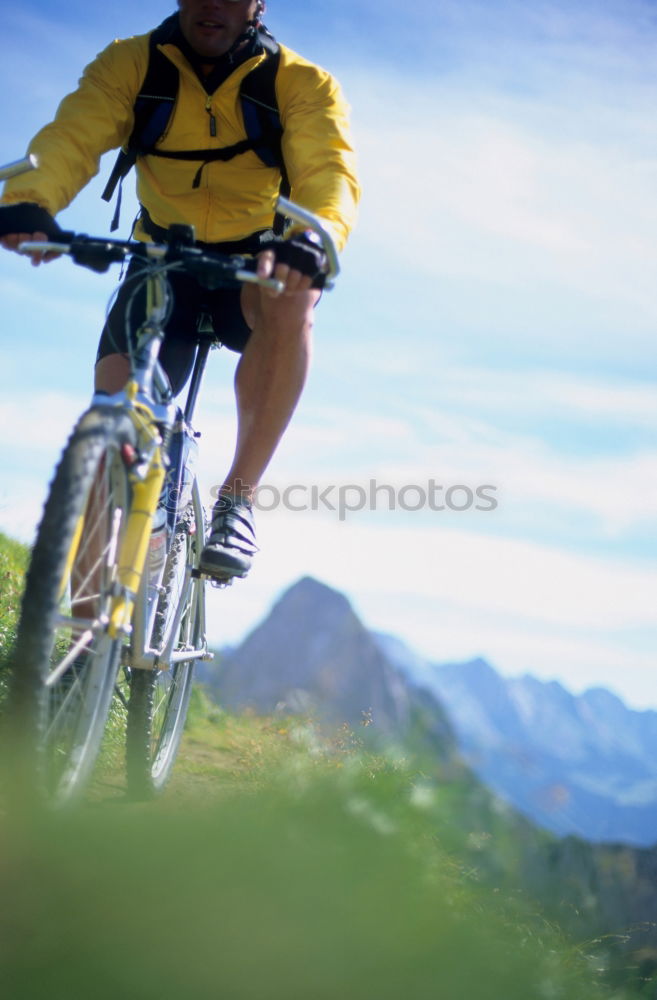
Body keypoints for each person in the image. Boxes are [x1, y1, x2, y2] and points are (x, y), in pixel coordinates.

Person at [0, 0, 360, 580]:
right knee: (111, 429)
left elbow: (329, 173)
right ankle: (84, 648)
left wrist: (313, 240)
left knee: (294, 297)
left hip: (254, 270)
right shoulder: (131, 64)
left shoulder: (300, 83)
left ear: (257, 5)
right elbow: (70, 138)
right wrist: (28, 202)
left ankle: (237, 502)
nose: (212, 4)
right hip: (162, 260)